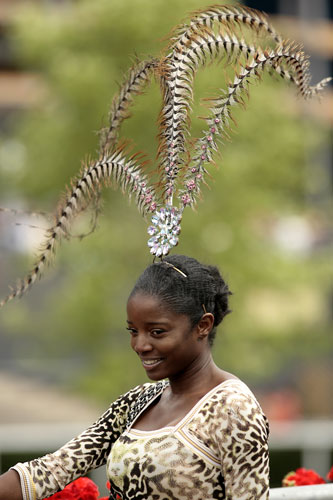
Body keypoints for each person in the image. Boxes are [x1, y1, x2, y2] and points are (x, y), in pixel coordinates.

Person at [0, 255, 269, 500]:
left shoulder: (234, 409)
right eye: (133, 331)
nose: (140, 345)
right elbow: (53, 469)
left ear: (202, 325)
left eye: (157, 332)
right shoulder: (138, 400)